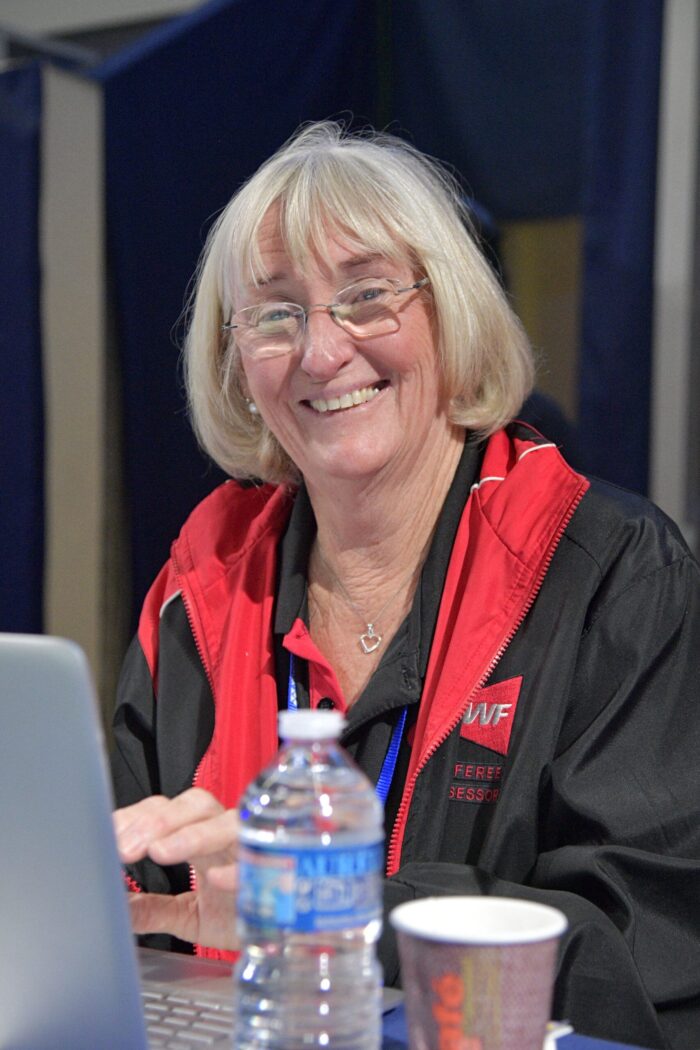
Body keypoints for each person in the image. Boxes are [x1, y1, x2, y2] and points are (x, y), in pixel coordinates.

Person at [111, 121, 700, 1049]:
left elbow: (643, 961)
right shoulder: (200, 584)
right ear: (236, 364)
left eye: (367, 296)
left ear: (452, 312)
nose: (319, 351)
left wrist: (327, 912)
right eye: (273, 313)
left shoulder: (616, 575)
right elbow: (125, 901)